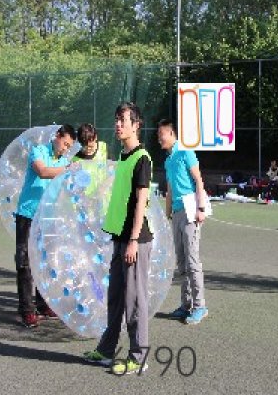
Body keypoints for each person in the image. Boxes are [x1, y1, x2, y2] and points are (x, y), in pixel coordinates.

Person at [83, 102, 153, 375]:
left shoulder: (142, 158)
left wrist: (133, 240)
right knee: (115, 298)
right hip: (120, 237)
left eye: (123, 120)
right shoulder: (124, 157)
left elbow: (141, 203)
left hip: (136, 240)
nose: (118, 124)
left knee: (134, 300)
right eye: (116, 120)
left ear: (136, 125)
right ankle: (106, 350)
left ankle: (139, 356)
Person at [15, 124, 77, 328]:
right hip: (28, 215)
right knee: (24, 263)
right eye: (65, 144)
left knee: (45, 262)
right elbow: (42, 172)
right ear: (57, 136)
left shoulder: (64, 160)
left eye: (69, 147)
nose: (66, 149)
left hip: (48, 218)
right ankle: (27, 310)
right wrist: (67, 171)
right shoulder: (39, 151)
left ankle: (43, 305)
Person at [157, 119, 209, 325]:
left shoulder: (185, 152)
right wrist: (167, 213)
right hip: (177, 213)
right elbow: (170, 189)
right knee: (181, 260)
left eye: (161, 134)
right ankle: (185, 305)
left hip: (190, 211)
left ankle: (200, 306)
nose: (159, 138)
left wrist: (201, 208)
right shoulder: (168, 160)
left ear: (171, 134)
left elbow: (198, 180)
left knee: (192, 260)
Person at [73, 123, 109, 195]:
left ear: (96, 137)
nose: (87, 149)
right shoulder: (76, 159)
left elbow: (112, 170)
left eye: (91, 146)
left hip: (104, 195)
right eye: (84, 146)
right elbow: (76, 184)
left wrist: (103, 187)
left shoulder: (104, 147)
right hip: (87, 198)